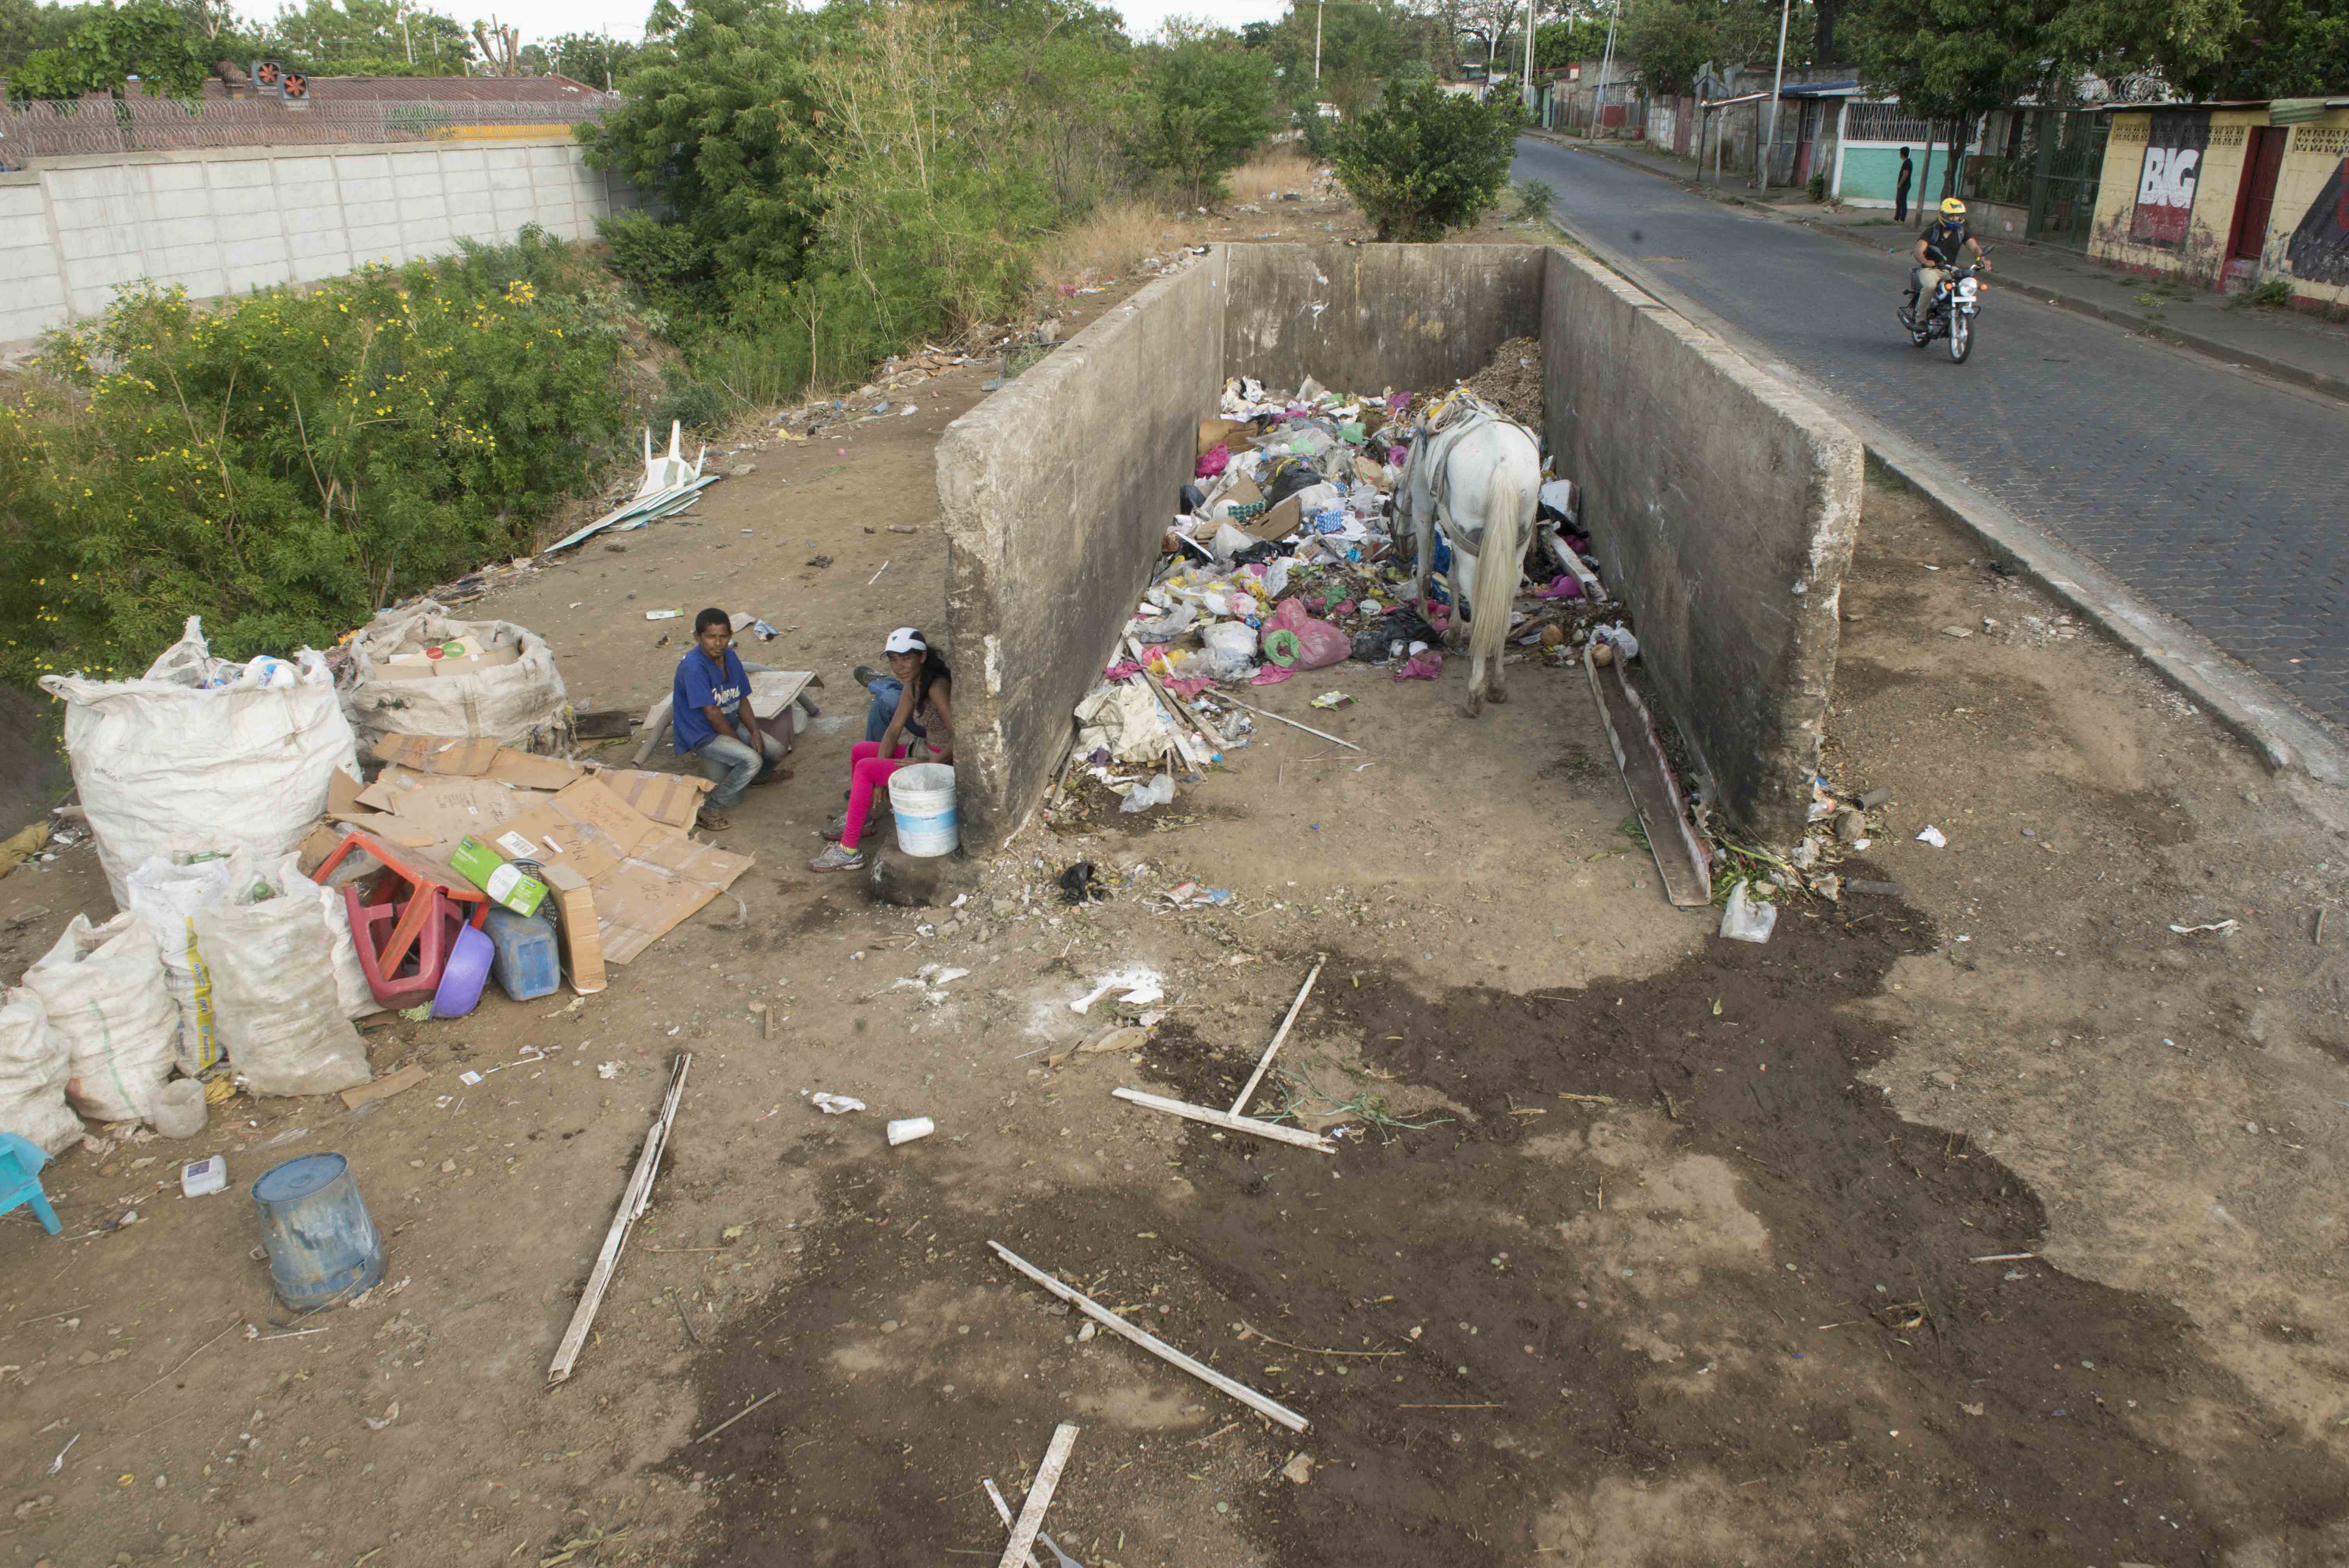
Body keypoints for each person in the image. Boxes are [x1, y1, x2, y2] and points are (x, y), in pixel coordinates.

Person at [809, 628, 952, 872]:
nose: (899, 667)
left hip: (944, 763)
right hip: (924, 750)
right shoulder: (913, 685)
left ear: (922, 656)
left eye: (906, 658)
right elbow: (893, 731)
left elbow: (963, 736)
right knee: (861, 751)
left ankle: (849, 851)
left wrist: (929, 766)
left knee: (866, 768)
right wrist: (879, 781)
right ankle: (861, 819)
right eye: (894, 660)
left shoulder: (936, 687)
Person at [672, 608, 788, 832]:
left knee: (775, 750)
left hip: (728, 723)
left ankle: (758, 778)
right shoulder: (693, 667)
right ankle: (707, 807)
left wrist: (754, 732)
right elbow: (712, 713)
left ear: (731, 635)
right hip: (702, 734)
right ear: (697, 637)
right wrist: (739, 742)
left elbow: (742, 699)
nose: (718, 643)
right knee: (751, 760)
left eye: (723, 637)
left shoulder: (731, 658)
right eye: (710, 637)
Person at [1903, 197, 1990, 328]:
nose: (1955, 219)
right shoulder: (1932, 231)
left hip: (1950, 269)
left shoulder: (1962, 233)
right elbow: (1918, 250)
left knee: (1966, 283)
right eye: (1951, 216)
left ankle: (1954, 312)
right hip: (1931, 269)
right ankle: (1920, 319)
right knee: (1930, 286)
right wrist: (1925, 261)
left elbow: (1974, 248)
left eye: (1958, 216)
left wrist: (1982, 259)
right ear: (1943, 216)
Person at [1894, 146, 1914, 224]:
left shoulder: (1907, 163)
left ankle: (1902, 219)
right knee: (1899, 201)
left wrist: (1900, 184)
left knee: (1902, 202)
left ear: (1902, 154)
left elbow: (1905, 175)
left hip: (1904, 186)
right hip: (1905, 185)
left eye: (1900, 153)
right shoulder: (1907, 162)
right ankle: (1897, 218)